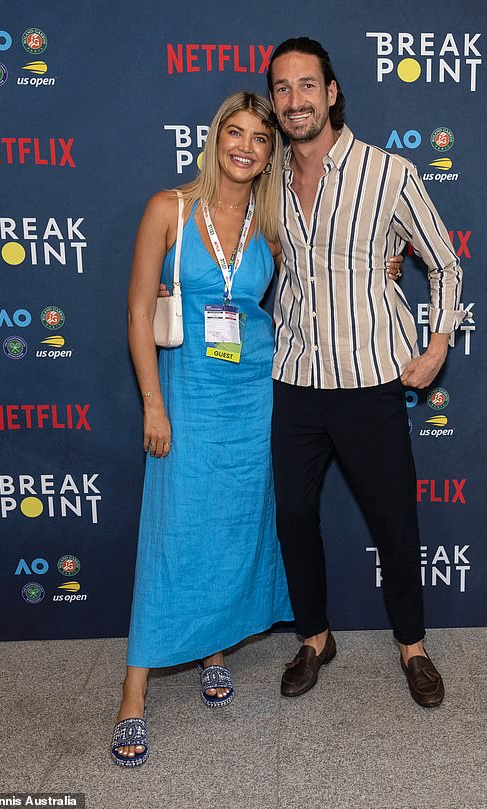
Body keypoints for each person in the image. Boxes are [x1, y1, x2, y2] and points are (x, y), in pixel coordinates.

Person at [266, 38, 468, 707]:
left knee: (394, 521)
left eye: (306, 86)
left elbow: (443, 262)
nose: (295, 101)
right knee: (294, 515)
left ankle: (412, 645)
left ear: (331, 92)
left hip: (368, 382)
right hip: (295, 378)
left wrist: (437, 342)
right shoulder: (267, 178)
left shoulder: (390, 173)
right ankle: (315, 635)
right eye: (283, 89)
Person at [112, 92, 294, 767]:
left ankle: (213, 648)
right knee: (173, 529)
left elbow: (329, 272)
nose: (246, 146)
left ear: (270, 153)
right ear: (215, 139)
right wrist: (152, 403)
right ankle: (133, 694)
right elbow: (137, 312)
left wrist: (389, 267)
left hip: (253, 394)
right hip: (185, 392)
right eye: (235, 133)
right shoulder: (169, 209)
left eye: (259, 138)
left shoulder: (269, 225)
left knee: (232, 523)